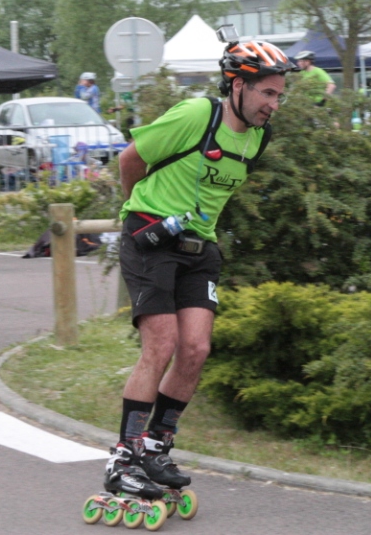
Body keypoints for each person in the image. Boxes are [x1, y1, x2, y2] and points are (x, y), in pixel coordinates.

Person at [107, 37, 293, 503]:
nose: (274, 104)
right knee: (162, 344)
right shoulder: (196, 116)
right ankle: (122, 459)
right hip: (151, 239)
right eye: (266, 93)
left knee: (195, 348)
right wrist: (138, 213)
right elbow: (130, 160)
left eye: (279, 96)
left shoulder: (257, 137)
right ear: (237, 84)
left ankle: (155, 447)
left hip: (199, 246)